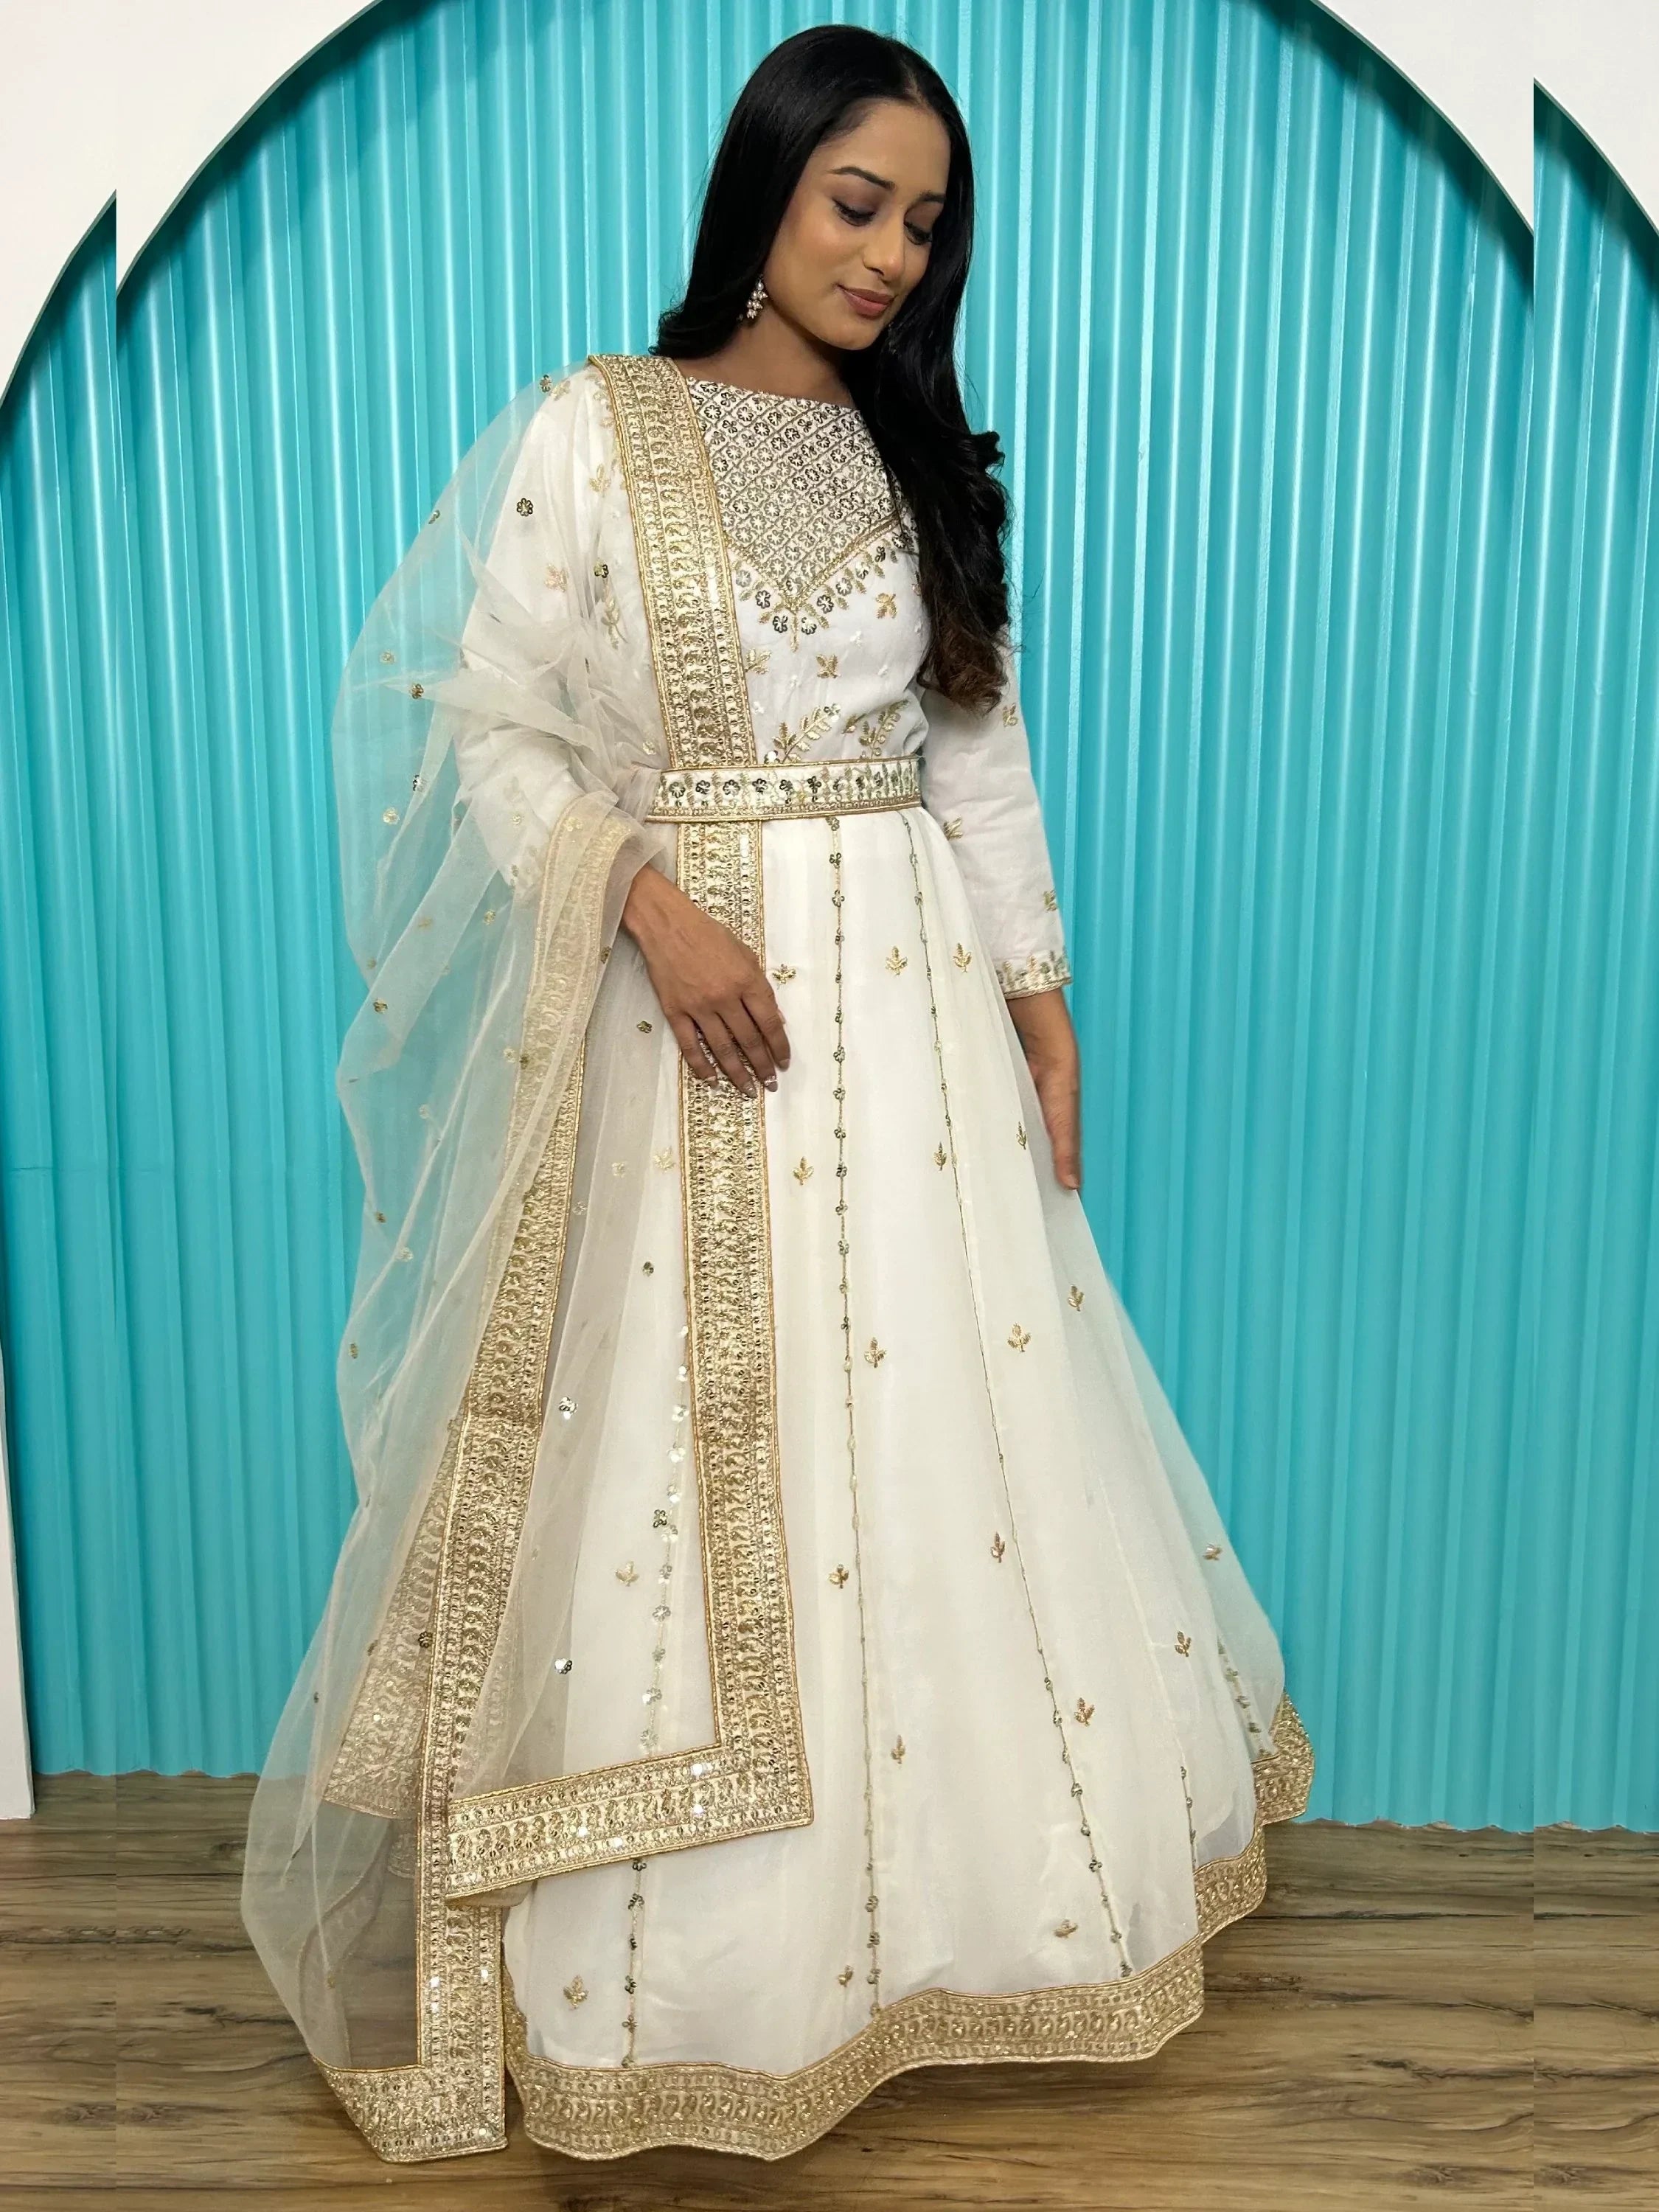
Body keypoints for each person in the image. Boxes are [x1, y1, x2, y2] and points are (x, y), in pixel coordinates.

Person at [241, 24, 1312, 2166]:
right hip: (698, 1023)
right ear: (764, 190)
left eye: (926, 223)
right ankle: (693, 1980)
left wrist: (1038, 996)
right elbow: (491, 728)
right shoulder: (598, 426)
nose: (894, 255)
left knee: (940, 1443)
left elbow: (973, 747)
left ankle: (946, 1942)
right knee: (683, 1460)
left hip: (905, 1026)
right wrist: (647, 902)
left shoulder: (922, 459)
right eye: (858, 203)